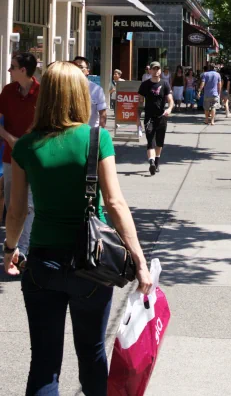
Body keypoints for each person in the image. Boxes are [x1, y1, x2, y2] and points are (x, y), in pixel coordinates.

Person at [2, 61, 152, 396]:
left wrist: (10, 250)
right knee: (92, 352)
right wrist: (139, 262)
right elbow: (115, 204)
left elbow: (16, 211)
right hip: (92, 266)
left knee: (43, 360)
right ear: (79, 96)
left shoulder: (25, 145)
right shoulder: (96, 138)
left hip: (42, 263)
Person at [0, 52, 40, 265]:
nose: (9, 70)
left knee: (31, 204)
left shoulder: (42, 93)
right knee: (13, 205)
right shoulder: (7, 91)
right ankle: (13, 244)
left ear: (23, 70)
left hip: (35, 157)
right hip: (10, 157)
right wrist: (10, 138)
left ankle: (22, 249)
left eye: (12, 67)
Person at [138, 62, 174, 175]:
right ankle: (152, 163)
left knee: (159, 142)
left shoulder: (165, 84)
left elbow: (170, 100)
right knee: (150, 141)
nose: (156, 71)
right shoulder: (144, 85)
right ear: (150, 71)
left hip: (161, 117)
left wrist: (169, 109)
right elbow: (139, 102)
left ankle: (157, 161)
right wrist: (137, 117)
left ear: (160, 71)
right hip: (149, 117)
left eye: (158, 69)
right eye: (153, 69)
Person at [73, 56, 107, 128]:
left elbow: (103, 114)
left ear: (87, 71)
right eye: (75, 66)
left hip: (90, 133)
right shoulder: (66, 87)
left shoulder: (97, 90)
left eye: (81, 67)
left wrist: (99, 134)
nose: (77, 69)